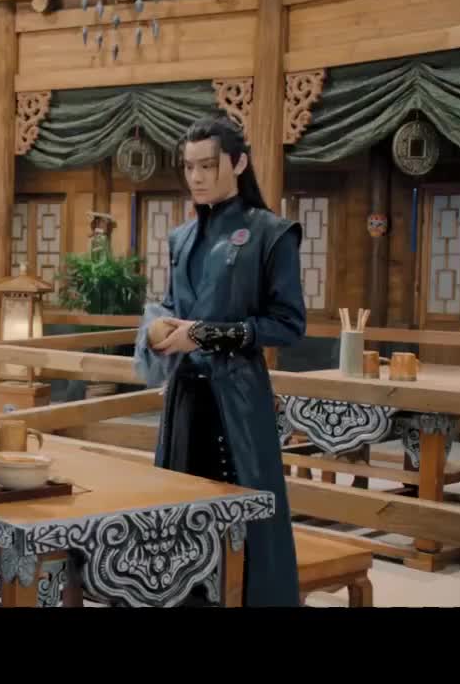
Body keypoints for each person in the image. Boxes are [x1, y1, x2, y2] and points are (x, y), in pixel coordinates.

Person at [134, 115, 305, 607]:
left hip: (239, 400)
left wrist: (205, 334)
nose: (197, 176)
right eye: (189, 167)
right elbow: (173, 304)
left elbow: (288, 324)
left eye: (208, 165)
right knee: (180, 518)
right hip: (185, 399)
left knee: (245, 524)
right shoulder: (181, 238)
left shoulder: (272, 233)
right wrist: (158, 326)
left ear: (239, 163)